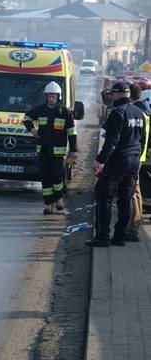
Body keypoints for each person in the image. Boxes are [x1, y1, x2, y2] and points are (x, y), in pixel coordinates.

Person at [89, 81, 147, 247]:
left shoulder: (117, 113)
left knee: (103, 194)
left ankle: (102, 237)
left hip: (119, 160)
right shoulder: (139, 113)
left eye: (113, 95)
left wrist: (99, 161)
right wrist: (136, 155)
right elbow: (142, 140)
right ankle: (120, 236)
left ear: (116, 95)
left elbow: (111, 142)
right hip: (134, 159)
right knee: (125, 198)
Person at [23, 81, 78, 214]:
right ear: (46, 96)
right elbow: (26, 118)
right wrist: (32, 130)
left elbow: (71, 132)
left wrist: (74, 150)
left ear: (58, 97)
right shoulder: (41, 110)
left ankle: (58, 198)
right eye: (49, 96)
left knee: (56, 176)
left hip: (58, 153)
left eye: (53, 96)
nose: (51, 99)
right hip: (42, 151)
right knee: (45, 178)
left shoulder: (65, 113)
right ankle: (49, 205)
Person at [127, 83, 150, 242]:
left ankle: (133, 228)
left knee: (134, 192)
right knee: (138, 192)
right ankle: (134, 225)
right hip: (142, 156)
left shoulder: (138, 112)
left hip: (137, 156)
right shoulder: (145, 109)